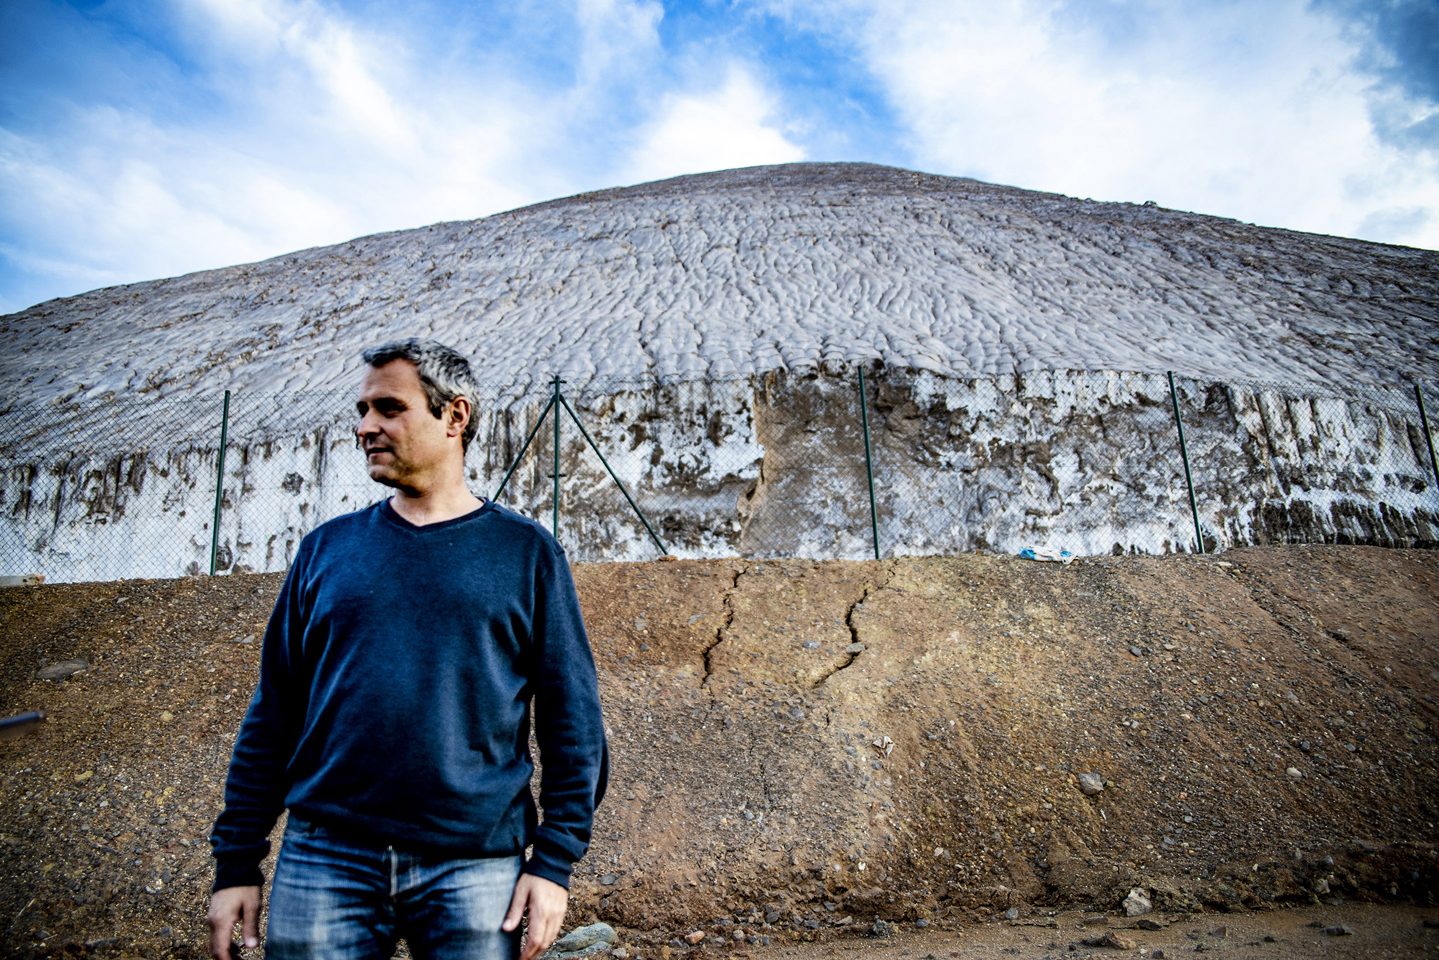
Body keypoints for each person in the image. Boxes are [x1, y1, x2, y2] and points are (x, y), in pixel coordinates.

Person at [206, 339, 608, 960]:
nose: (366, 426)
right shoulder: (326, 551)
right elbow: (275, 711)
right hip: (324, 857)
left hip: (476, 865)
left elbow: (571, 718)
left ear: (455, 416)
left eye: (389, 408)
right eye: (363, 410)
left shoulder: (526, 554)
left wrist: (554, 862)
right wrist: (236, 862)